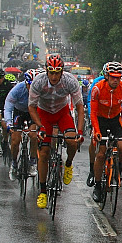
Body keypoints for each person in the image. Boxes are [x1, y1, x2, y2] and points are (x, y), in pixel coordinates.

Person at [28, 54, 85, 209]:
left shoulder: (70, 81)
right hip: (43, 113)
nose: (54, 76)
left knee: (72, 141)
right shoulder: (38, 81)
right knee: (44, 152)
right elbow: (31, 108)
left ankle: (68, 164)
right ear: (46, 71)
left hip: (62, 112)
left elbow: (79, 106)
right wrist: (40, 126)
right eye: (51, 72)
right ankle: (43, 191)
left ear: (62, 71)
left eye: (57, 72)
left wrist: (79, 130)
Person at [89, 61, 122, 203]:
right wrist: (97, 131)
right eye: (112, 77)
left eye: (118, 77)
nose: (115, 80)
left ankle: (118, 167)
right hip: (101, 120)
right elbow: (92, 113)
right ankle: (97, 186)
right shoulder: (97, 89)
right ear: (106, 76)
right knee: (101, 153)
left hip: (116, 120)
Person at [5, 69, 41, 181]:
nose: (33, 89)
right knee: (15, 140)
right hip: (19, 112)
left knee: (33, 135)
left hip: (34, 112)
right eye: (31, 86)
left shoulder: (42, 90)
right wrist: (9, 122)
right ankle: (14, 163)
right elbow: (8, 106)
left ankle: (33, 162)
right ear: (26, 83)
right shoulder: (18, 89)